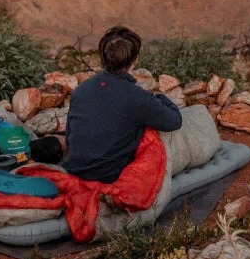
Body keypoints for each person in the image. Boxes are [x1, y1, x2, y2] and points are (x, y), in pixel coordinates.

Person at [63, 26, 182, 183]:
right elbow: (174, 121)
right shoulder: (137, 97)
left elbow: (70, 137)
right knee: (150, 131)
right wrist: (160, 97)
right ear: (135, 61)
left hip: (75, 169)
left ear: (103, 58)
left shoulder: (80, 90)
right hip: (108, 176)